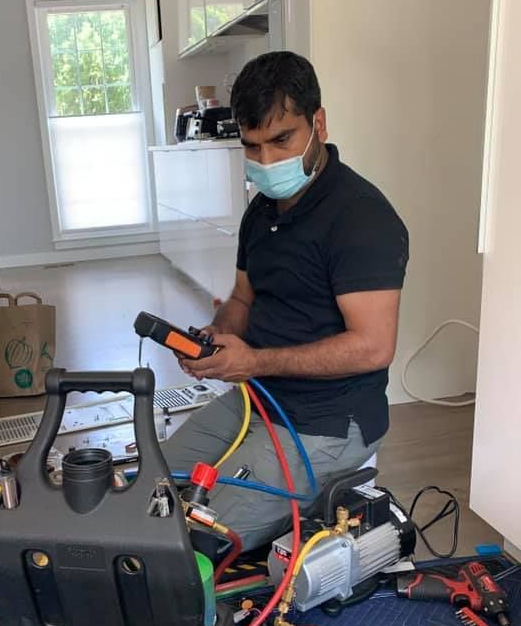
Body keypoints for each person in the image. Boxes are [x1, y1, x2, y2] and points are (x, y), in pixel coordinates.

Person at [162, 51, 409, 551]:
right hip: (259, 403)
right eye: (252, 147)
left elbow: (373, 347)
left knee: (199, 538)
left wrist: (254, 360)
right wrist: (217, 335)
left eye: (281, 141)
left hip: (328, 425)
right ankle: (281, 500)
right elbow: (242, 300)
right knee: (155, 485)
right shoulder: (261, 213)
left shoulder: (362, 219)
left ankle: (318, 506)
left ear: (318, 123)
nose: (267, 162)